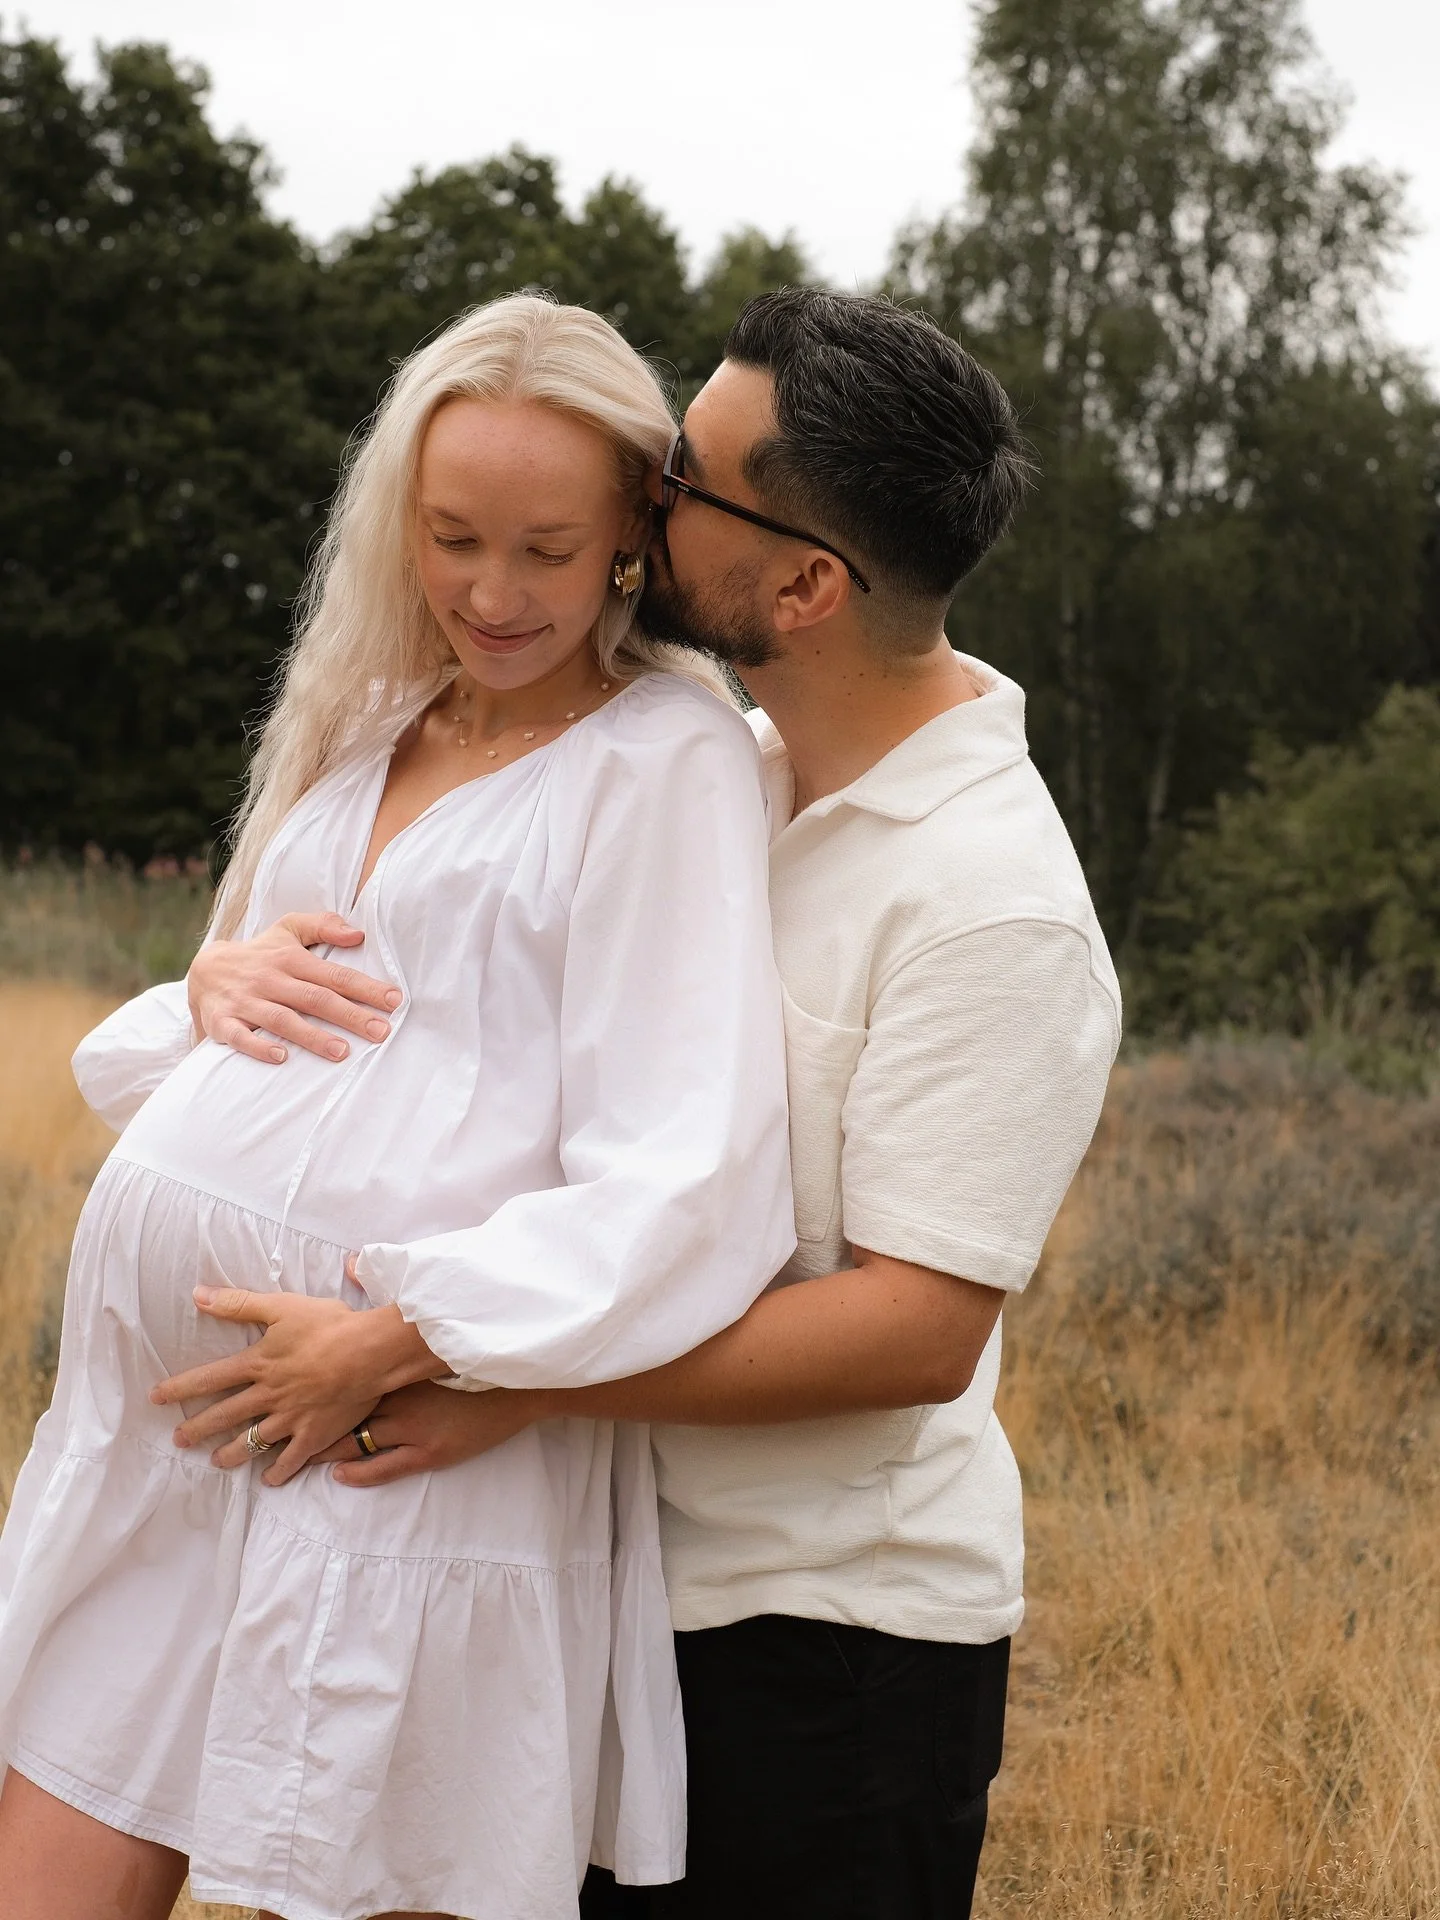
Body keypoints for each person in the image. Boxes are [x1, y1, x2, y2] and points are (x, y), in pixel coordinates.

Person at [128, 292, 1122, 1918]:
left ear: (804, 583)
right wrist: (215, 984)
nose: (640, 495)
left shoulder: (990, 902)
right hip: (610, 1593)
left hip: (829, 1652)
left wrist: (479, 1359)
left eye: (684, 479)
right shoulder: (713, 768)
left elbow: (914, 1330)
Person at [0, 294, 795, 1920]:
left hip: (398, 1450)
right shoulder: (361, 718)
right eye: (452, 540)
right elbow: (240, 1030)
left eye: (546, 551)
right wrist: (199, 996)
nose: (492, 596)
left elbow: (683, 1166)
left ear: (632, 543)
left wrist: (405, 1333)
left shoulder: (665, 760)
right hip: (159, 1453)